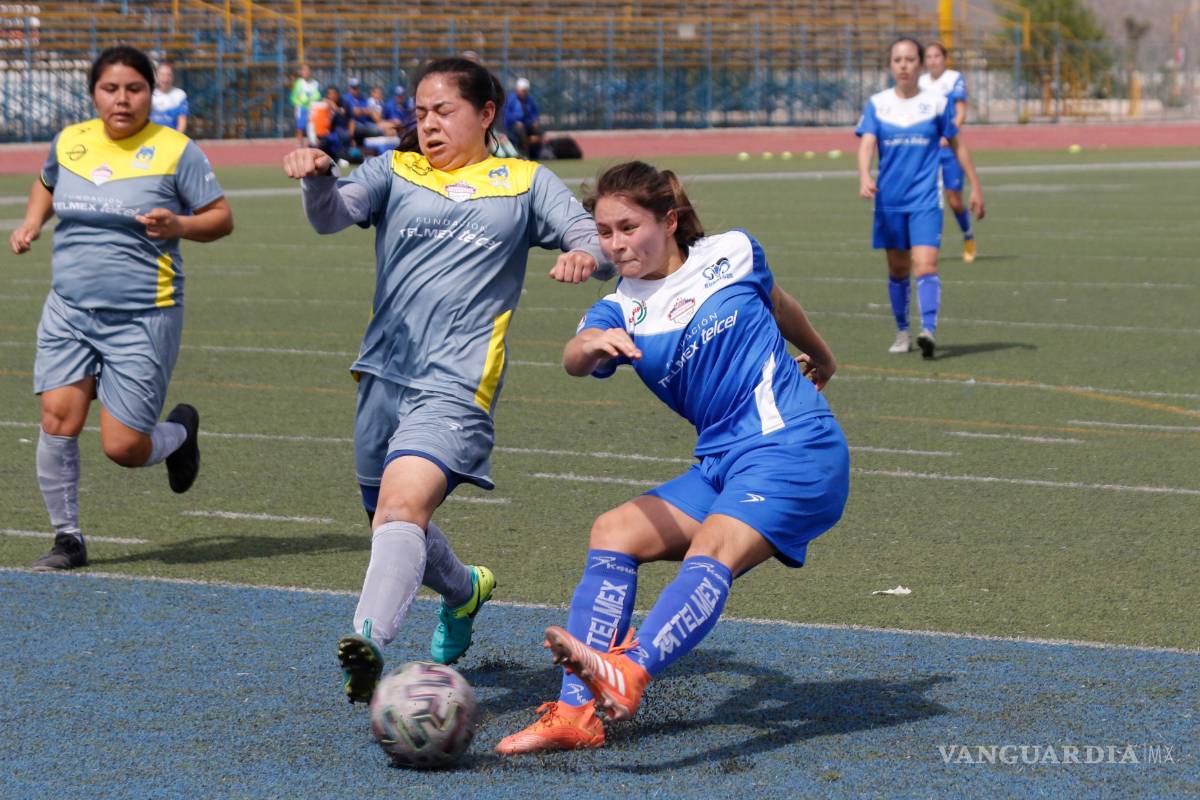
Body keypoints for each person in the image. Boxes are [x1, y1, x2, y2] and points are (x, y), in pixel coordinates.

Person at [281, 56, 614, 704]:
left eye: (444, 111)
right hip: (382, 373)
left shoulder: (523, 182)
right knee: (388, 518)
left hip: (459, 381)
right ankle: (464, 592)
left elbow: (588, 234)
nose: (427, 124)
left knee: (401, 508)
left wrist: (586, 254)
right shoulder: (395, 170)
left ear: (486, 114)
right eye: (421, 111)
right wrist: (317, 178)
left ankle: (367, 643)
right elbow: (331, 214)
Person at [495, 161, 849, 755]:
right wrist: (587, 346)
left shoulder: (733, 250)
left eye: (628, 227)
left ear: (669, 219)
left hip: (795, 446)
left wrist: (821, 356)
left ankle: (630, 670)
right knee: (615, 531)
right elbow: (574, 354)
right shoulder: (619, 307)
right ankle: (577, 715)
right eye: (605, 232)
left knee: (714, 548)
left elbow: (777, 298)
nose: (616, 244)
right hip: (723, 462)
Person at [8, 45, 233, 571]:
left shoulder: (178, 150)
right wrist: (32, 223)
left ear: (151, 93)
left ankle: (178, 434)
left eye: (134, 88)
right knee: (57, 418)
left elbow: (220, 218)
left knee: (124, 448)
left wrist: (179, 225)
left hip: (143, 314)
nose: (122, 99)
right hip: (69, 310)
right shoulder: (71, 141)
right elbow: (45, 183)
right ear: (94, 94)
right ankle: (68, 539)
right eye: (110, 89)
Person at [856, 37, 985, 360]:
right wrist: (864, 175)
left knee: (926, 264)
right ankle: (902, 331)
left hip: (926, 199)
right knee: (898, 270)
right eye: (897, 60)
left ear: (920, 64)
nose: (904, 65)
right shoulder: (878, 103)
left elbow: (957, 145)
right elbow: (867, 143)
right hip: (889, 203)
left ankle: (928, 331)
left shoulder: (937, 103)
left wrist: (975, 186)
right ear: (890, 65)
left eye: (910, 59)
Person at [920, 42, 977, 263]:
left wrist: (947, 135)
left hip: (948, 149)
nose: (933, 60)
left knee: (954, 200)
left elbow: (961, 112)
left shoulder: (954, 79)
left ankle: (968, 235)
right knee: (928, 199)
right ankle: (927, 244)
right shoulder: (921, 82)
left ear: (945, 58)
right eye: (929, 56)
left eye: (937, 56)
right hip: (927, 151)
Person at [503, 77, 542, 159]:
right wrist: (516, 121)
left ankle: (535, 155)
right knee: (521, 131)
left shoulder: (529, 100)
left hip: (527, 124)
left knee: (538, 132)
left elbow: (534, 112)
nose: (524, 93)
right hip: (513, 126)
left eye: (526, 91)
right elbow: (507, 115)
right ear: (517, 90)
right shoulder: (511, 100)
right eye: (523, 91)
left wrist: (535, 120)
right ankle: (524, 154)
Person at [149, 61, 188, 133]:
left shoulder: (180, 95)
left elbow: (182, 122)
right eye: (162, 75)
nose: (165, 79)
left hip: (172, 137)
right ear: (157, 76)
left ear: (173, 77)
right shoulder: (149, 94)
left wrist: (175, 140)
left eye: (168, 75)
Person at [290, 64, 321, 146]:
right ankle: (299, 145)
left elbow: (318, 95)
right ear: (301, 72)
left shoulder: (315, 83)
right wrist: (300, 102)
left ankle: (313, 144)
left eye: (308, 70)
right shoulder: (298, 83)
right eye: (304, 70)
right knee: (300, 127)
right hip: (301, 108)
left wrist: (312, 99)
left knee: (312, 127)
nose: (306, 72)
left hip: (312, 108)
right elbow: (294, 96)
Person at [345, 77, 382, 144]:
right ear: (349, 88)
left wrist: (361, 111)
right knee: (360, 128)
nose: (356, 90)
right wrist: (363, 111)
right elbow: (354, 112)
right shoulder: (346, 98)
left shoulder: (362, 98)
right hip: (353, 124)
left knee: (379, 130)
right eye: (353, 88)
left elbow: (369, 111)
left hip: (364, 123)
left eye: (357, 87)